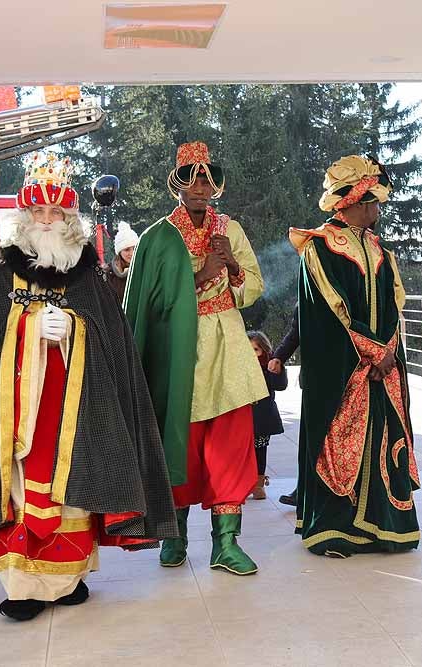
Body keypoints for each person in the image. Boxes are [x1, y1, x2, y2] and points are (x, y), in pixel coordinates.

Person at [0, 152, 177, 621]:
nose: (49, 221)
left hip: (76, 412)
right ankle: (24, 587)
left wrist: (76, 328)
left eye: (57, 213)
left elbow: (113, 342)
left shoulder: (86, 277)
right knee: (20, 493)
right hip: (18, 416)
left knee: (74, 492)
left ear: (70, 219)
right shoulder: (0, 274)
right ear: (25, 218)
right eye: (40, 212)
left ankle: (66, 579)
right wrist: (31, 327)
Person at [125, 141, 266, 576]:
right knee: (180, 446)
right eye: (192, 179)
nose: (201, 187)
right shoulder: (158, 236)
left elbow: (254, 287)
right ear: (178, 185)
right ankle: (175, 535)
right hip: (178, 353)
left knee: (232, 445)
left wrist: (232, 269)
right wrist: (198, 275)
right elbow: (147, 301)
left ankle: (226, 543)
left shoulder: (232, 229)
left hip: (228, 349)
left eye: (207, 179)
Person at [290, 154, 420, 558]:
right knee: (340, 439)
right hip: (342, 369)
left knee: (381, 438)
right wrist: (372, 354)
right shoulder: (321, 248)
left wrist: (388, 354)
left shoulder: (381, 251)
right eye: (374, 201)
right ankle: (334, 529)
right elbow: (334, 309)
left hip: (381, 367)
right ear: (358, 202)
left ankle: (383, 525)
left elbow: (394, 305)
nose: (378, 209)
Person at [247, 330, 287, 500]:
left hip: (262, 418)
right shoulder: (238, 368)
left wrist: (277, 370)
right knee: (242, 452)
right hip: (243, 417)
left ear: (264, 350)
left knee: (260, 450)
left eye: (256, 350)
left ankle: (258, 483)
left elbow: (280, 385)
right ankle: (242, 483)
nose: (252, 354)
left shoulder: (268, 366)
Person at [268, 306, 299, 506]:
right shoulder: (306, 297)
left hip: (349, 378)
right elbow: (296, 332)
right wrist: (278, 356)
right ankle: (304, 492)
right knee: (310, 443)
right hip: (317, 382)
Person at [104, 222, 139, 304]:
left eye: (135, 248)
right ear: (119, 252)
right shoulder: (108, 274)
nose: (132, 253)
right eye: (127, 250)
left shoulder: (144, 270)